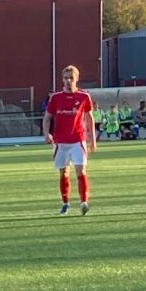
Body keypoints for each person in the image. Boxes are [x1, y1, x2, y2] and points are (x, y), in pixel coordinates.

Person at [44, 66, 95, 216]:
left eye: (71, 78)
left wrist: (92, 138)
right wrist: (47, 134)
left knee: (81, 170)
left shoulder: (84, 97)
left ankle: (84, 202)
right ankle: (65, 203)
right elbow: (47, 118)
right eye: (66, 78)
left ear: (77, 79)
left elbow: (89, 118)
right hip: (60, 142)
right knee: (64, 173)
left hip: (78, 141)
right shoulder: (55, 98)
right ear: (62, 79)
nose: (68, 81)